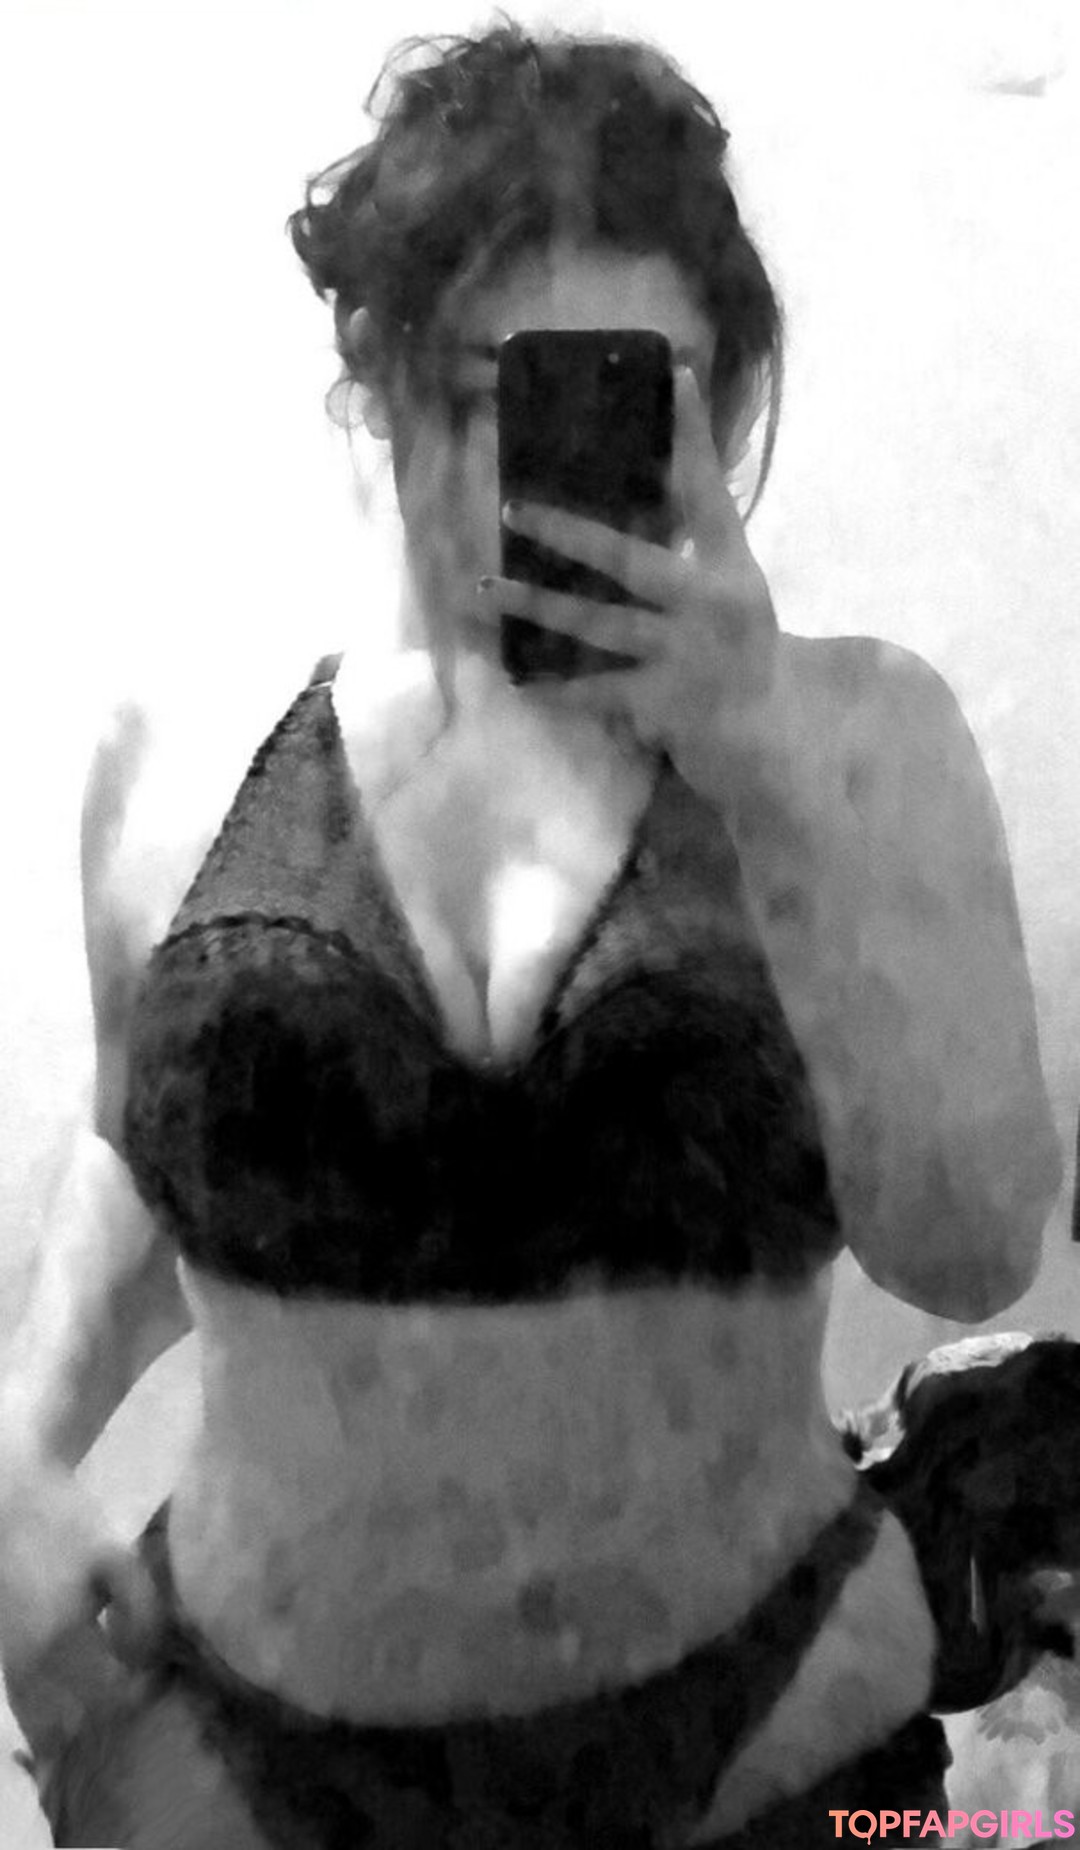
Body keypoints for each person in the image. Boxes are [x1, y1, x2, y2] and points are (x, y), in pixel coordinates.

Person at [0, 22, 1063, 1848]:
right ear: (374, 375)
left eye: (640, 393)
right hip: (254, 1763)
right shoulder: (175, 761)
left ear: (721, 401)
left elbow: (966, 1247)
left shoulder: (862, 740)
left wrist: (766, 767)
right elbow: (147, 1154)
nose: (561, 458)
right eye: (499, 389)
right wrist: (17, 1459)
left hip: (761, 1731)